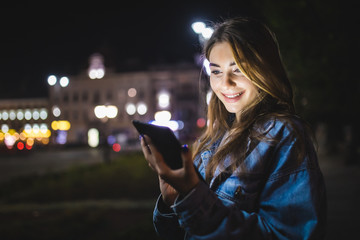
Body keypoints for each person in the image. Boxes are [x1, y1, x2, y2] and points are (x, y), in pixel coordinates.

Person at [140, 16, 327, 239]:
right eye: (216, 71)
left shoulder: (283, 134)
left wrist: (194, 198)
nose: (225, 83)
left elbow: (288, 234)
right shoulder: (213, 138)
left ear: (264, 70)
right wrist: (174, 199)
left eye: (237, 69)